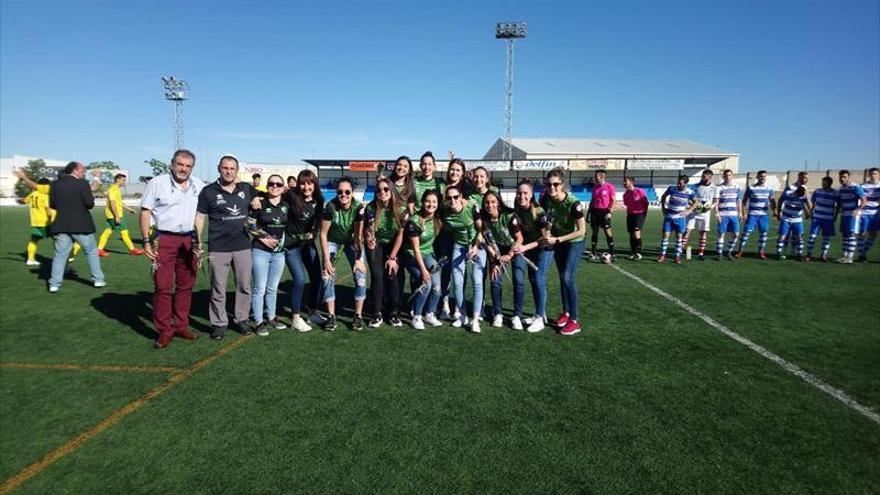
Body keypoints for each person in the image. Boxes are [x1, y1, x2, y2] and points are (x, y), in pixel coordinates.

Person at [140, 149, 205, 349]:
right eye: (180, 164)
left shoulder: (198, 185)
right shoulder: (157, 182)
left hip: (188, 240)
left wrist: (198, 241)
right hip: (164, 239)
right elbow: (145, 212)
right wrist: (146, 241)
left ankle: (181, 325)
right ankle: (164, 330)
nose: (183, 169)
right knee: (163, 286)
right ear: (172, 164)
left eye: (188, 166)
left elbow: (200, 215)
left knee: (186, 285)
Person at [195, 155, 256, 340]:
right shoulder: (208, 192)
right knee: (218, 288)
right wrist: (197, 240)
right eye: (225, 168)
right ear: (219, 168)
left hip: (243, 246)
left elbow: (264, 197)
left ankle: (242, 319)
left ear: (236, 171)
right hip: (218, 247)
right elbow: (200, 217)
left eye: (232, 168)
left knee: (244, 285)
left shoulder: (246, 188)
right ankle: (219, 323)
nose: (229, 171)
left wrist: (257, 199)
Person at [540, 168, 587, 336]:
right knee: (561, 277)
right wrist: (547, 234)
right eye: (548, 184)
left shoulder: (573, 203)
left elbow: (581, 231)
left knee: (568, 277)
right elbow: (547, 221)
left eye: (555, 184)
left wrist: (558, 240)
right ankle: (566, 313)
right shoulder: (546, 199)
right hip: (558, 241)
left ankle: (574, 321)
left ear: (563, 185)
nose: (552, 187)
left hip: (574, 242)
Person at [47, 161, 106, 293]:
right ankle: (98, 280)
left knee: (60, 255)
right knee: (91, 252)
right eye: (83, 170)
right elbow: (89, 203)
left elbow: (53, 204)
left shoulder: (55, 184)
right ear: (75, 170)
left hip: (61, 224)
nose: (84, 173)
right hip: (81, 225)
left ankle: (54, 283)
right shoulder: (82, 183)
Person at [318, 177, 367, 331]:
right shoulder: (330, 207)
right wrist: (326, 260)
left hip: (352, 241)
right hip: (333, 240)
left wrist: (358, 259)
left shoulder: (358, 208)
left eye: (347, 192)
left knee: (360, 275)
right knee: (327, 275)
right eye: (340, 192)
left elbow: (359, 236)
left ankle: (357, 315)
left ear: (352, 193)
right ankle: (331, 316)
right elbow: (323, 235)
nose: (343, 195)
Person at [278, 169, 324, 331]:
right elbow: (271, 196)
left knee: (317, 278)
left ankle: (312, 312)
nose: (306, 187)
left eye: (309, 183)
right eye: (303, 183)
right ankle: (296, 318)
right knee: (299, 279)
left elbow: (319, 223)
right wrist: (256, 197)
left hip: (307, 244)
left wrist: (315, 232)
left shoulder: (319, 200)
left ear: (314, 184)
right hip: (291, 245)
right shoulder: (291, 195)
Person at [246, 174, 289, 337]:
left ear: (283, 187)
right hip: (260, 251)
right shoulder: (259, 203)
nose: (274, 186)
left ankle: (271, 317)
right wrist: (263, 238)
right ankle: (258, 321)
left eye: (278, 184)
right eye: (271, 183)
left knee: (272, 288)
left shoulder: (286, 205)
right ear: (267, 185)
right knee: (259, 288)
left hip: (278, 254)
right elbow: (249, 225)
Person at [12, 169, 82, 266]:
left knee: (34, 240)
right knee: (59, 240)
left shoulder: (33, 194)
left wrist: (18, 199)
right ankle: (65, 257)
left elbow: (24, 201)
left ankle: (30, 259)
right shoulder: (45, 195)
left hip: (34, 223)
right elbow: (49, 210)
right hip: (46, 223)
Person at [441, 184, 486, 333]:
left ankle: (475, 319)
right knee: (458, 282)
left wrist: (476, 245)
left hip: (477, 244)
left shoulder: (471, 206)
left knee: (477, 280)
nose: (452, 200)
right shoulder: (445, 212)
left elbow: (482, 229)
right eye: (449, 198)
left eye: (455, 197)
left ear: (461, 197)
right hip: (459, 245)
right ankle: (462, 315)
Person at [363, 177, 406, 328]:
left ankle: (394, 313)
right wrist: (369, 238)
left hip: (394, 244)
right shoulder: (371, 208)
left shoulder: (401, 208)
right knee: (377, 276)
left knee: (392, 275)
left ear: (391, 190)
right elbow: (368, 229)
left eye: (386, 189)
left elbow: (401, 234)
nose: (382, 192)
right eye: (379, 190)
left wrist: (393, 257)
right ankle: (376, 313)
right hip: (378, 244)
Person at [482, 191, 526, 330]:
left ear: (498, 203)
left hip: (515, 250)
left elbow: (520, 238)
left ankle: (517, 315)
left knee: (518, 282)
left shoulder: (508, 216)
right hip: (497, 252)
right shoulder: (484, 220)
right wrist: (494, 261)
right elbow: (487, 242)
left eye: (493, 202)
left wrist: (511, 254)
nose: (490, 205)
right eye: (487, 202)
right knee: (495, 281)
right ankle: (498, 313)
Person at [513, 179, 552, 333]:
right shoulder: (517, 210)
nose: (521, 196)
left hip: (545, 249)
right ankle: (538, 313)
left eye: (525, 193)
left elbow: (545, 239)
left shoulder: (539, 212)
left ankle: (540, 318)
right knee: (533, 280)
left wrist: (524, 247)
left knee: (539, 279)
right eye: (519, 193)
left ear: (531, 195)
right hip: (529, 248)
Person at [437, 157, 472, 319]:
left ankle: (459, 305)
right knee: (444, 269)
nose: (454, 172)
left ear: (463, 173)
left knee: (459, 272)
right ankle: (444, 304)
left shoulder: (467, 188)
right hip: (444, 236)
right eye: (452, 169)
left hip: (461, 238)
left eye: (458, 170)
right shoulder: (441, 187)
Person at [403, 189, 444, 330]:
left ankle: (430, 314)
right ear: (422, 203)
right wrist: (424, 270)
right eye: (427, 201)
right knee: (426, 283)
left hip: (428, 253)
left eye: (434, 202)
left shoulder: (437, 218)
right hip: (411, 255)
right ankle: (417, 316)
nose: (430, 204)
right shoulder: (414, 222)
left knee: (437, 284)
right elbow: (415, 249)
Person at [97, 174, 144, 257]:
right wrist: (117, 216)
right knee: (124, 232)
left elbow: (119, 202)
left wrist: (129, 209)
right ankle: (132, 249)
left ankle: (99, 250)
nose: (124, 182)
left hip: (111, 215)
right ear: (117, 179)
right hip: (114, 215)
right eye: (123, 180)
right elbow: (112, 203)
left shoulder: (116, 189)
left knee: (107, 232)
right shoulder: (113, 189)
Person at [736, 170, 776, 259]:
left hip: (763, 215)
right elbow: (744, 201)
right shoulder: (751, 188)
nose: (763, 178)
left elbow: (772, 201)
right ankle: (740, 251)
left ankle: (761, 252)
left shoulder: (769, 188)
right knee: (746, 233)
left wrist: (775, 212)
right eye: (761, 176)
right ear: (757, 177)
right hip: (752, 215)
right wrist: (744, 213)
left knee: (763, 233)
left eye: (764, 176)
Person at [658, 175, 697, 264]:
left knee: (679, 237)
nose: (678, 185)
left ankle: (677, 256)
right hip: (669, 216)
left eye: (681, 183)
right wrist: (663, 208)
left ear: (686, 184)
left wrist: (688, 210)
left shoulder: (689, 192)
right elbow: (663, 196)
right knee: (665, 236)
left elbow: (695, 201)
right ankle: (662, 255)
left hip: (680, 218)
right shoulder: (672, 188)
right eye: (678, 183)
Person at [684, 169, 717, 261]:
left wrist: (711, 207)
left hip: (705, 213)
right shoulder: (695, 186)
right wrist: (692, 205)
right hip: (694, 212)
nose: (702, 178)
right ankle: (680, 251)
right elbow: (690, 198)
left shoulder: (715, 188)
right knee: (687, 231)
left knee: (703, 233)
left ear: (710, 177)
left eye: (704, 176)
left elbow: (715, 201)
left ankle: (701, 253)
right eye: (702, 176)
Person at [835, 169, 867, 264]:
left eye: (844, 177)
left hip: (853, 215)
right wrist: (836, 214)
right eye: (840, 177)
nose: (842, 179)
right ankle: (844, 256)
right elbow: (839, 203)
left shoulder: (855, 187)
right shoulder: (841, 189)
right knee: (845, 235)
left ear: (848, 177)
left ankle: (850, 257)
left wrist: (858, 210)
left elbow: (864, 200)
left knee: (851, 235)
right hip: (844, 215)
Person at [805, 176, 838, 262]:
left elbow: (838, 205)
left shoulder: (835, 193)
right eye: (822, 182)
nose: (823, 184)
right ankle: (808, 254)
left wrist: (835, 216)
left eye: (825, 183)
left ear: (830, 183)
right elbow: (813, 203)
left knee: (826, 238)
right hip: (817, 218)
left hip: (828, 219)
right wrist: (811, 212)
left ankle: (823, 255)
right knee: (812, 236)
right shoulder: (817, 191)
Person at [774, 185, 811, 260]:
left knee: (799, 237)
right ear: (797, 191)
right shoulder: (788, 193)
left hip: (797, 219)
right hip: (786, 218)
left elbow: (810, 207)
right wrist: (779, 212)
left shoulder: (804, 197)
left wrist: (806, 200)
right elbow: (780, 200)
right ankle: (778, 253)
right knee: (782, 236)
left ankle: (799, 254)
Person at [587, 169, 616, 260]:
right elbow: (592, 201)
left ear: (602, 176)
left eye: (596, 176)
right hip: (595, 212)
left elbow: (613, 200)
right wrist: (588, 213)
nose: (595, 178)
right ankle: (593, 252)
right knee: (594, 232)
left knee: (608, 232)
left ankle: (612, 253)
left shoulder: (610, 187)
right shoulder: (595, 188)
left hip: (604, 212)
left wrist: (610, 212)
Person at [714, 169, 743, 260]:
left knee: (735, 234)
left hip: (734, 214)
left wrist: (740, 212)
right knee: (721, 234)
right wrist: (717, 214)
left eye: (729, 175)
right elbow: (716, 202)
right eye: (726, 175)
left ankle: (729, 252)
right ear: (723, 176)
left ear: (732, 176)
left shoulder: (737, 187)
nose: (728, 177)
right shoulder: (719, 188)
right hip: (723, 214)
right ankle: (719, 254)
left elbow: (738, 201)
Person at [621, 176, 648, 261]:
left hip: (639, 214)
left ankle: (638, 253)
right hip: (630, 215)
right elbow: (627, 205)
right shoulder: (625, 194)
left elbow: (646, 203)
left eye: (626, 181)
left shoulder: (639, 191)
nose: (624, 183)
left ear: (631, 182)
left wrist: (644, 215)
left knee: (637, 233)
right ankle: (633, 252)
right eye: (624, 181)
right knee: (631, 234)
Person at [856, 167, 879, 261]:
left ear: (879, 175)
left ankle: (863, 253)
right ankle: (862, 255)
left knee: (873, 235)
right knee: (861, 234)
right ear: (868, 175)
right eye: (871, 174)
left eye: (875, 174)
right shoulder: (862, 186)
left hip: (876, 214)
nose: (873, 176)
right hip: (864, 213)